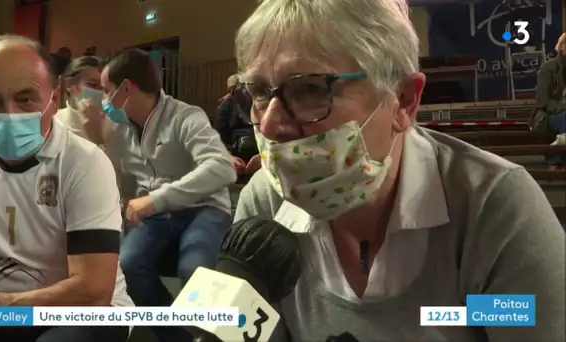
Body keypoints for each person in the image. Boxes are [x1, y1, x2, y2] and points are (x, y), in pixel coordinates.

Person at [233, 1, 565, 341]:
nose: (270, 124)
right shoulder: (263, 204)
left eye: (310, 89)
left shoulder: (494, 207)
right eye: (259, 92)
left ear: (404, 100)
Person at [0, 34, 133, 341]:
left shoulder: (85, 163)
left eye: (25, 98)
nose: (9, 114)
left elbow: (92, 294)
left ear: (53, 99)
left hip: (83, 314)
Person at [100, 48, 236, 342]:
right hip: (158, 216)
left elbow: (223, 168)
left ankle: (219, 336)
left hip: (205, 208)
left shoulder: (185, 116)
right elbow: (120, 181)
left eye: (106, 91)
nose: (104, 100)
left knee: (195, 270)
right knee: (128, 266)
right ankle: (179, 337)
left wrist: (156, 199)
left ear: (126, 88)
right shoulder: (119, 130)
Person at [214, 74, 260, 181]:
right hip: (236, 158)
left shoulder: (263, 103)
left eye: (243, 87)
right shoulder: (226, 105)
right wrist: (229, 157)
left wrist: (265, 156)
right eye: (234, 89)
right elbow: (218, 139)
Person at [535, 32, 566, 169]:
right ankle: (557, 160)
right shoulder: (548, 68)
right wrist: (563, 107)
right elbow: (543, 102)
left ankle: (556, 150)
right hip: (547, 115)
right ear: (561, 47)